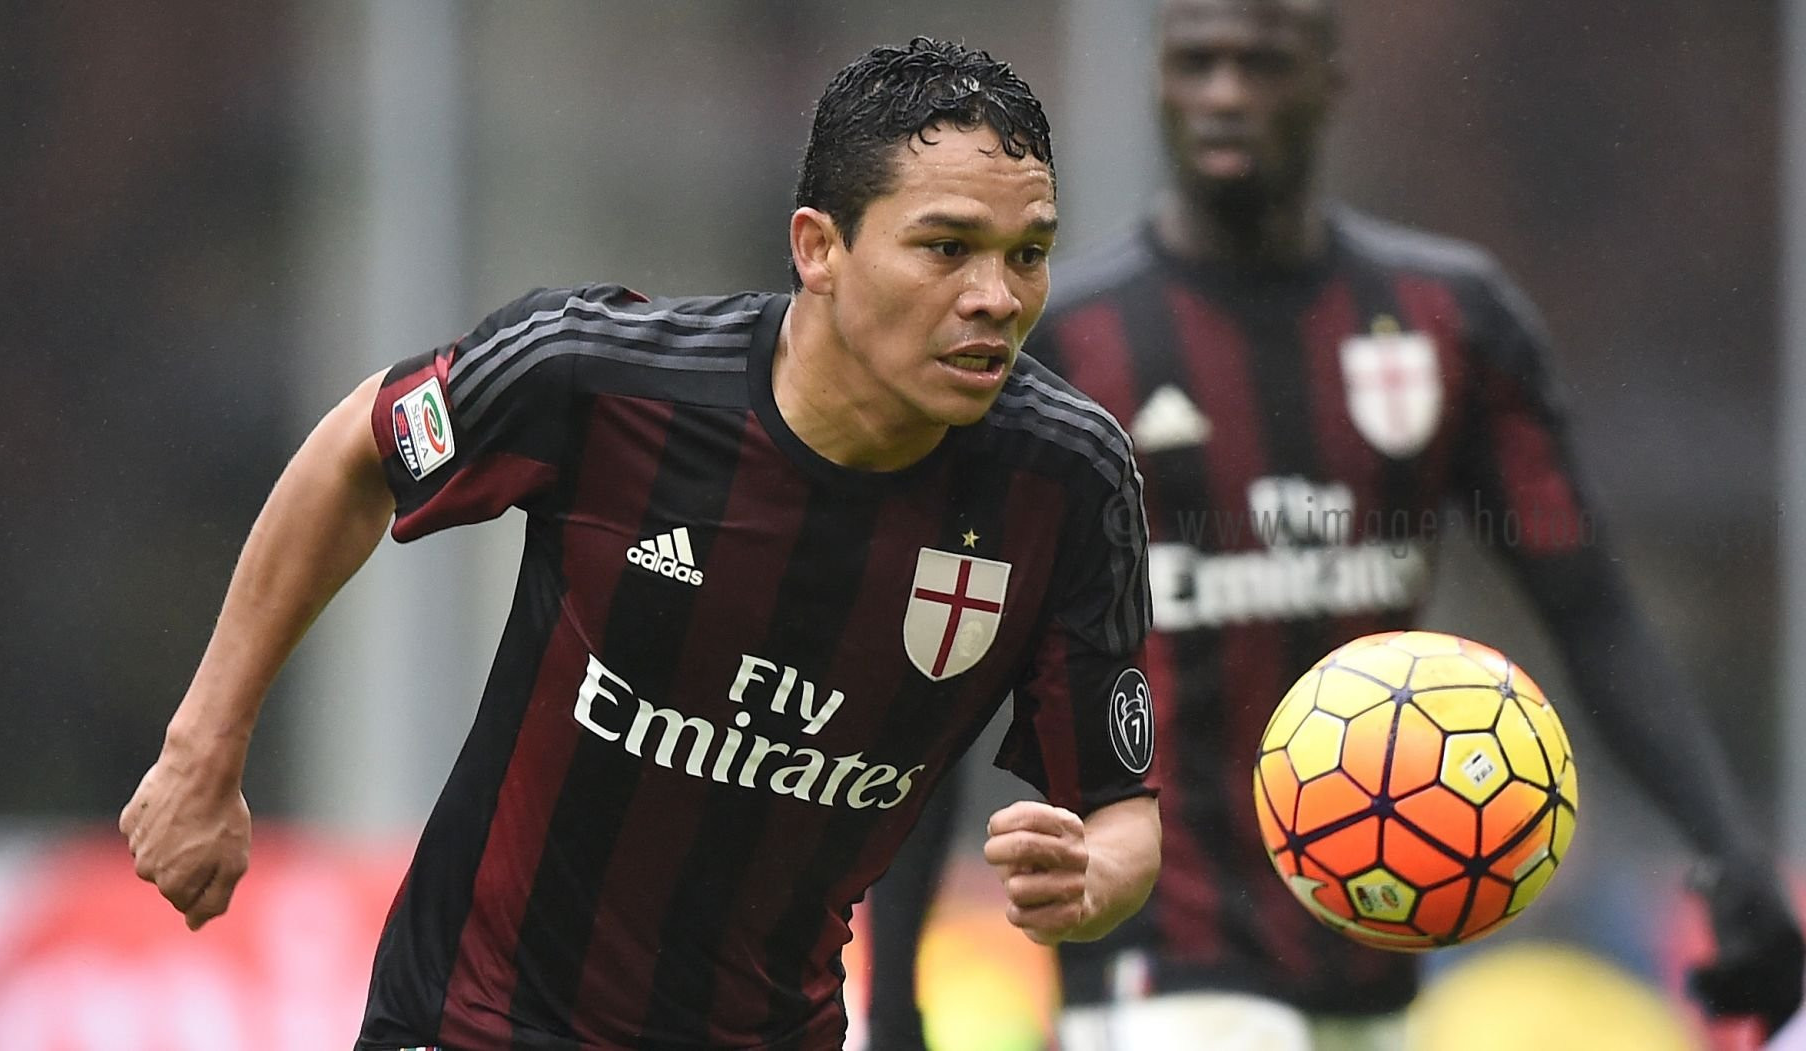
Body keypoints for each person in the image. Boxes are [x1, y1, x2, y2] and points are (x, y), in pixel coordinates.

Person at [117, 37, 1164, 1051]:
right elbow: (362, 446)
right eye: (946, 248)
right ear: (819, 249)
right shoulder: (599, 376)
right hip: (478, 1022)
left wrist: (1092, 880)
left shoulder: (1069, 481)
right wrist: (204, 750)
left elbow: (1121, 815)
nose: (997, 297)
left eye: (1028, 255)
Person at [864, 2, 1806, 1049]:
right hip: (1156, 949)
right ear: (1159, 82)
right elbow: (942, 678)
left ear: (1328, 81)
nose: (1224, 94)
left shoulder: (1452, 322)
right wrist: (894, 998)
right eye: (1196, 63)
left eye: (1260, 63)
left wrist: (1728, 850)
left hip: (1378, 935)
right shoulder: (1063, 351)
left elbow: (1591, 610)